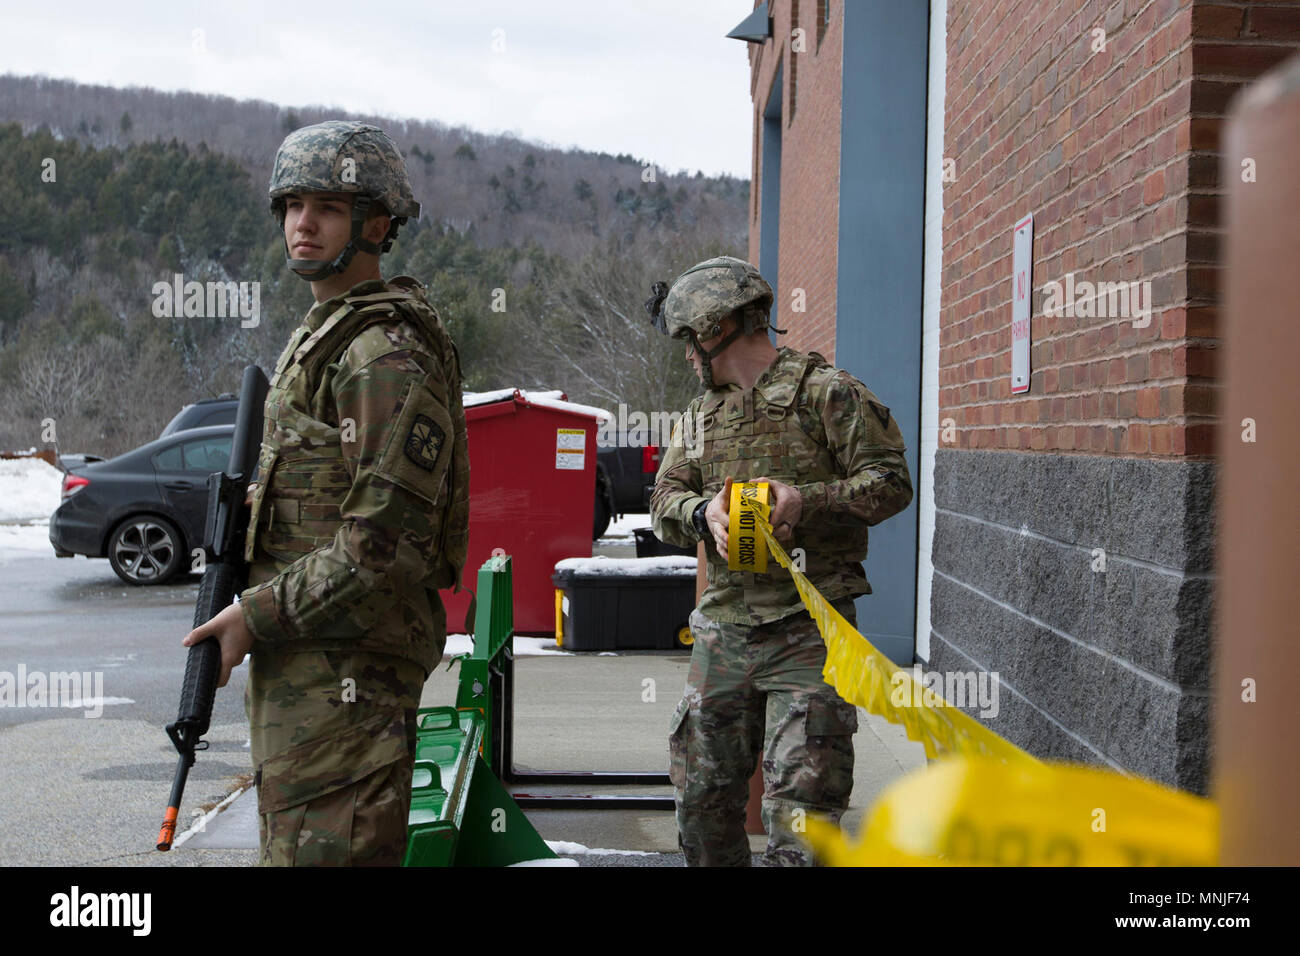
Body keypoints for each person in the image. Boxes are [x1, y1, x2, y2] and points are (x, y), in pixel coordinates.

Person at [182, 120, 469, 866]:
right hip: (313, 669)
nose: (301, 223)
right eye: (291, 205)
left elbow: (381, 544)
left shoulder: (382, 354)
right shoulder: (332, 334)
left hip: (347, 679)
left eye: (326, 207)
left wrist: (254, 614)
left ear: (376, 224)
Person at [647, 255, 913, 866]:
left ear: (716, 328)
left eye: (689, 339)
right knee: (701, 802)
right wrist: (700, 514)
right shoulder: (700, 416)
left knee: (801, 814)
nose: (688, 355)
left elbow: (891, 483)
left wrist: (808, 499)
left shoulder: (828, 394)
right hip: (726, 629)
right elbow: (663, 499)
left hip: (812, 632)